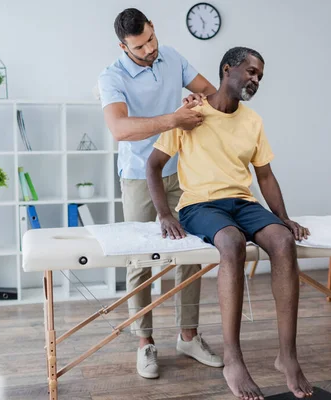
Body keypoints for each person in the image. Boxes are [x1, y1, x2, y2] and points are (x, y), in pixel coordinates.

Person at [146, 47, 314, 400]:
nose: (256, 79)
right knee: (232, 242)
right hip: (199, 204)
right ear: (227, 69)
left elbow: (265, 176)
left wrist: (283, 218)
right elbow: (154, 164)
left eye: (260, 76)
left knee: (283, 241)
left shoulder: (252, 121)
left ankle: (288, 356)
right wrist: (165, 213)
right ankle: (233, 358)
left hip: (242, 202)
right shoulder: (191, 112)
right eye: (251, 71)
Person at [97, 8, 223, 379]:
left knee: (190, 252)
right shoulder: (112, 76)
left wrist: (196, 104)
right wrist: (173, 119)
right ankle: (145, 342)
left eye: (151, 38)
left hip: (180, 171)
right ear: (124, 46)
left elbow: (212, 93)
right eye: (140, 46)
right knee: (140, 259)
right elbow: (119, 128)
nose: (150, 49)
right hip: (138, 175)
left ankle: (188, 335)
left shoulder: (172, 57)